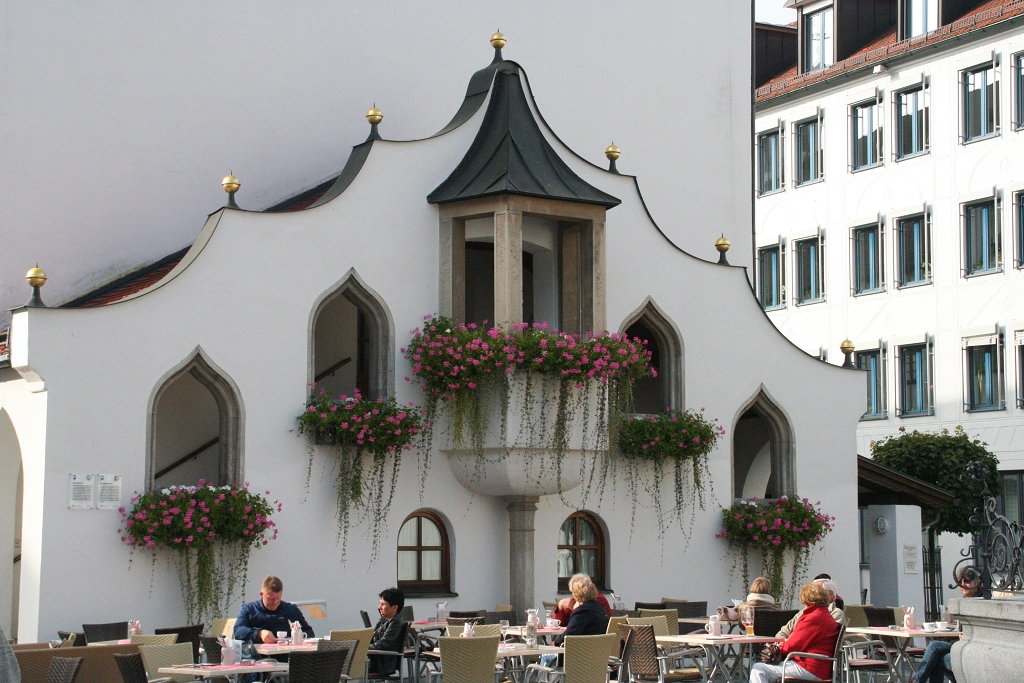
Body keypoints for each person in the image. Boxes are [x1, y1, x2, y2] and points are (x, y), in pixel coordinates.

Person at [750, 583, 841, 683]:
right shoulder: (825, 616)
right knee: (765, 669)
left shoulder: (813, 618)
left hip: (810, 667)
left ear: (805, 600)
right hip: (820, 668)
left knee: (759, 669)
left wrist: (779, 647)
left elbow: (793, 645)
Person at [911, 572, 979, 683]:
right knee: (935, 650)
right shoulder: (965, 600)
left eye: (966, 581)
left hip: (972, 649)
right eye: (960, 582)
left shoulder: (980, 600)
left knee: (935, 650)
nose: (962, 585)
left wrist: (966, 635)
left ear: (976, 582)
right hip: (963, 645)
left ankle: (917, 681)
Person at [234, 575, 314, 643]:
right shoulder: (249, 609)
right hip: (258, 654)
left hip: (285, 653)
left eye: (278, 598)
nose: (275, 602)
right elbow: (238, 630)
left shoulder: (291, 610)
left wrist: (298, 635)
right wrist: (259, 633)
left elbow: (309, 633)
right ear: (261, 594)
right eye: (270, 598)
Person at [776, 578, 845, 639]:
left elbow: (819, 638)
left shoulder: (836, 613)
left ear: (830, 593)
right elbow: (782, 633)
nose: (811, 595)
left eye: (816, 592)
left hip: (805, 648)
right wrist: (783, 643)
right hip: (793, 646)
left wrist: (788, 643)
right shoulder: (803, 612)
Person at [368, 587, 406, 677]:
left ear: (394, 608)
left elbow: (384, 644)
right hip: (374, 659)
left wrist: (361, 648)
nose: (379, 607)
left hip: (381, 663)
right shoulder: (384, 620)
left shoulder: (396, 622)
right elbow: (372, 637)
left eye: (383, 604)